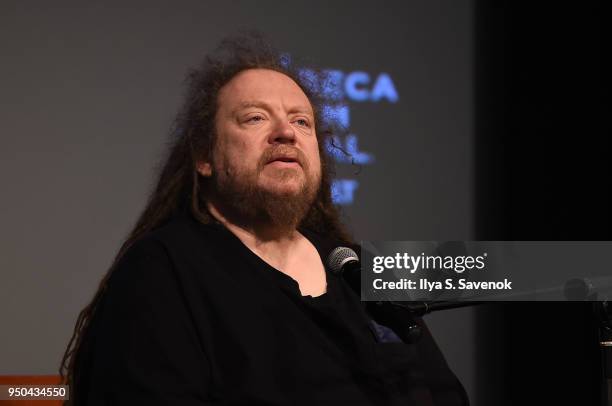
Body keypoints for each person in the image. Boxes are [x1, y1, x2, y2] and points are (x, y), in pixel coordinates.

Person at [60, 33, 469, 405]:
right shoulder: (163, 271)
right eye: (256, 117)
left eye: (301, 122)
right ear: (205, 156)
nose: (286, 133)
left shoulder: (357, 270)